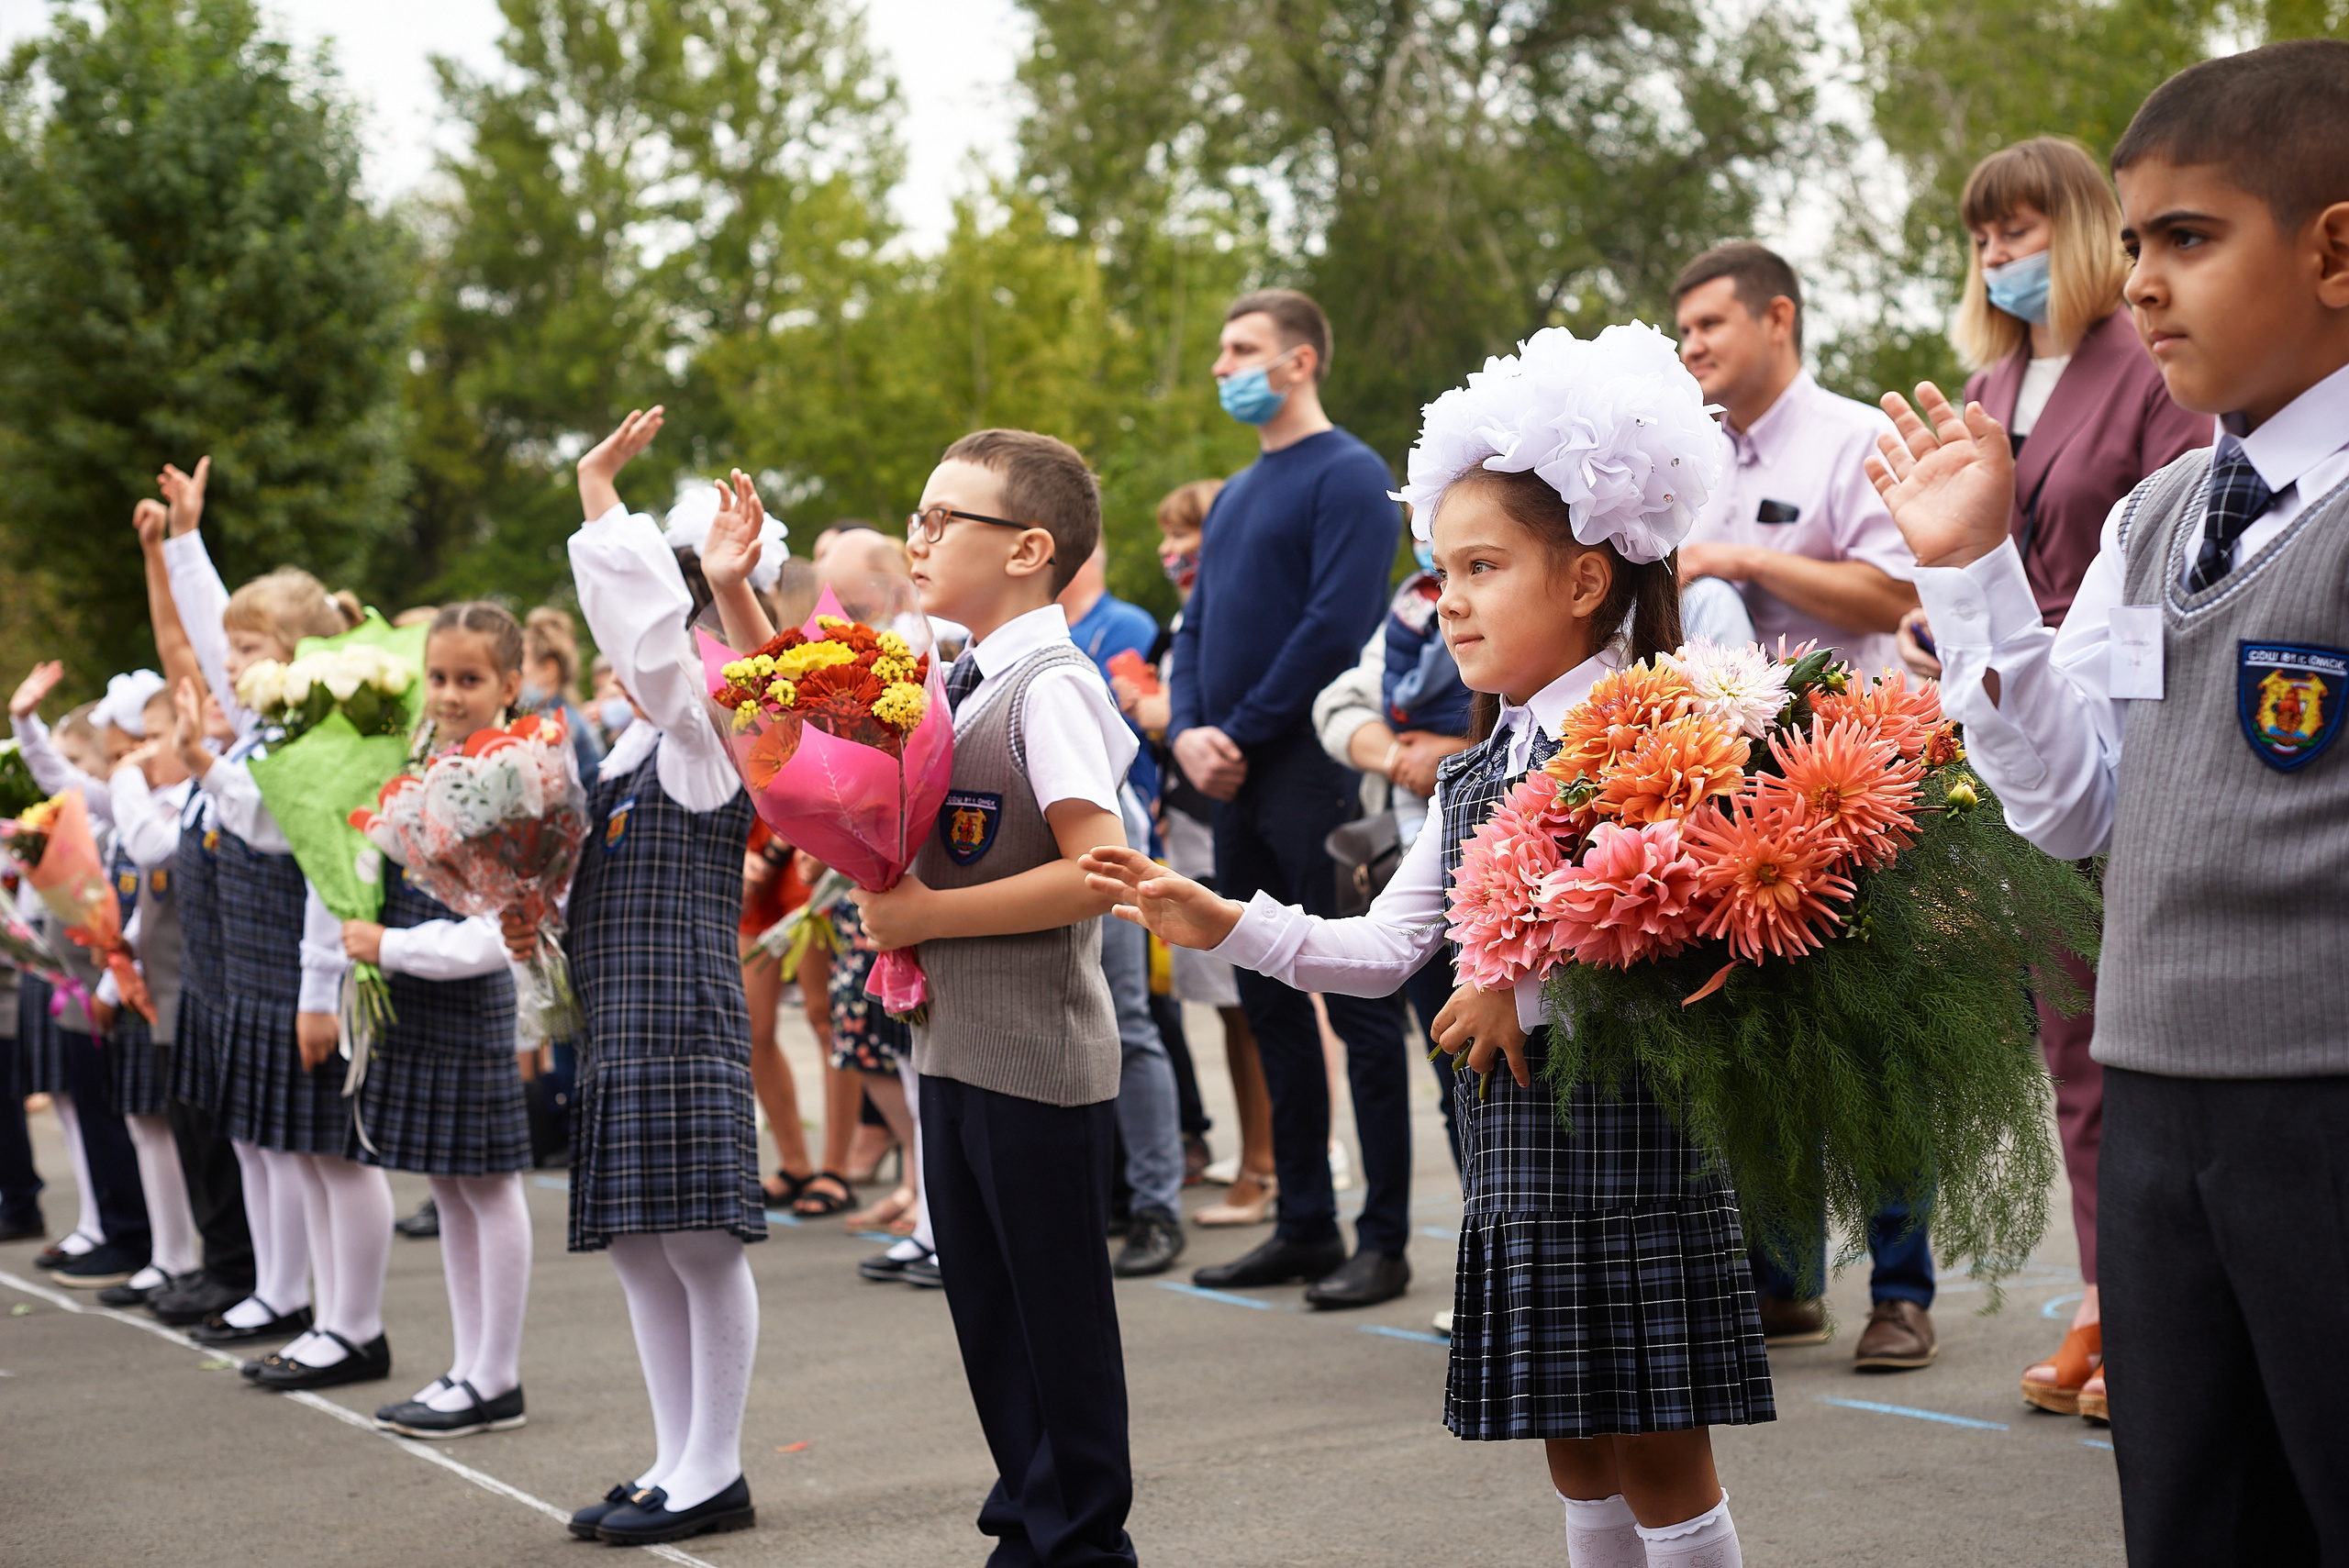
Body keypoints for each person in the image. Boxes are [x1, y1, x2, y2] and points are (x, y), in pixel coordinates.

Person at [1086, 324, 1771, 1568]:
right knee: (1575, 1449)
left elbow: (1688, 934)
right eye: (1440, 569)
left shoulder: (1656, 736)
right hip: (1522, 1139)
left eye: (1482, 566)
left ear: (1583, 580)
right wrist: (1224, 919)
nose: (1447, 599)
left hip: (1629, 1137)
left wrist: (1533, 985)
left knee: (1662, 1452)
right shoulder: (1480, 768)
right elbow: (1386, 946)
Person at [1870, 40, 2349, 1562]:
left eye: (2188, 238)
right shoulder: (2154, 513)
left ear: (2336, 250)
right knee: (2194, 1510)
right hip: (2155, 1092)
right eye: (2133, 241)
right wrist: (1972, 570)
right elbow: (2073, 799)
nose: (2139, 281)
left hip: (2323, 1100)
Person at [1899, 136, 2209, 1423]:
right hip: (2006, 727)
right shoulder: (1989, 380)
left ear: (2090, 229)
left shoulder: (2150, 371)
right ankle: (2105, 1294)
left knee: (2124, 1040)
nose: (2000, 256)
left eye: (2022, 229)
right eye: (1983, 236)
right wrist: (1949, 622)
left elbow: (2172, 557)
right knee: (2069, 1048)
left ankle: (2146, 1312)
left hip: (2125, 723)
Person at [851, 428, 1140, 1567]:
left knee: (1053, 1325)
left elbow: (1100, 870)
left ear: (1027, 548)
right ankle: (1029, 1521)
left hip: (1036, 1058)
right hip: (958, 1050)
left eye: (940, 519)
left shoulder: (1047, 685)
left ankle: (1078, 1540)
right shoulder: (952, 675)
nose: (916, 538)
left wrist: (923, 916)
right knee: (992, 1317)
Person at [1671, 242, 1941, 1371]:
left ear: (1776, 317)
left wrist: (1730, 557)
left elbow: (1891, 592)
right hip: (1732, 793)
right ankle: (1782, 1283)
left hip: (1853, 774)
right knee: (1762, 1038)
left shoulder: (1851, 439)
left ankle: (1900, 1291)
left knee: (1880, 1050)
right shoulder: (1686, 458)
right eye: (1682, 333)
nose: (1689, 349)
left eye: (1706, 327)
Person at [536, 407, 768, 1548]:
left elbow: (660, 654)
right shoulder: (629, 748)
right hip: (621, 1018)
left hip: (678, 1011)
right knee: (639, 1239)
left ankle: (715, 1463)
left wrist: (599, 499)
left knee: (696, 1239)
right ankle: (675, 1452)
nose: (625, 658)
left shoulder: (700, 730)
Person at [1169, 287, 1415, 1310]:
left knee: (1357, 1003)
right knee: (1263, 996)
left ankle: (1384, 1236)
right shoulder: (1231, 494)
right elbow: (1194, 628)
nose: (1224, 366)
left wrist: (1243, 725)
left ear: (1299, 360)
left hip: (1309, 767)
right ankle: (1303, 1219)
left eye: (1242, 349)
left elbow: (1334, 624)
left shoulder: (1350, 475)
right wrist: (1188, 730)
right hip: (1229, 776)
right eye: (1222, 349)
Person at [156, 484, 399, 1387]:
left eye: (253, 650)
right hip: (279, 966)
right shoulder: (276, 722)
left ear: (296, 653)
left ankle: (354, 1324)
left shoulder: (325, 728)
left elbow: (310, 847)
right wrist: (185, 542)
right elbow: (213, 640)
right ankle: (320, 1312)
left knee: (336, 1150)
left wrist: (318, 988)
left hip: (322, 966)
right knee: (294, 1147)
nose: (231, 667)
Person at [313, 603, 538, 1438]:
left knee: (486, 1184)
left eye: (469, 679)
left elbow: (494, 931)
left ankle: (498, 1374)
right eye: (438, 677)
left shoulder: (514, 771)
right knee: (450, 1185)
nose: (448, 694)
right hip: (414, 991)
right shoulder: (423, 751)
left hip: (463, 992)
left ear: (509, 684)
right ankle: (468, 1364)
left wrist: (390, 945)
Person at [1118, 478, 1276, 1227]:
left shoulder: (1236, 614)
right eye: (1166, 535)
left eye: (1186, 534)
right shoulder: (1185, 618)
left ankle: (1264, 1164)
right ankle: (1255, 1156)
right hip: (1185, 825)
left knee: (1253, 1006)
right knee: (1226, 1009)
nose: (1170, 549)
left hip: (1223, 824)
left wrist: (1160, 713)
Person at [1058, 541, 1187, 1277]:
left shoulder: (1121, 626)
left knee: (1129, 1023)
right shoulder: (980, 647)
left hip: (1112, 832)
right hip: (1046, 847)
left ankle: (1156, 1204)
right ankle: (1104, 1192)